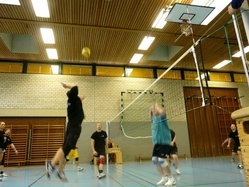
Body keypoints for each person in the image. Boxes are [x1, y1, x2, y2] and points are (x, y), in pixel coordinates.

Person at [46, 83, 85, 182]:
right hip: (74, 127)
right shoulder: (72, 99)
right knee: (66, 147)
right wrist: (67, 86)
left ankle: (60, 171)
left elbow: (78, 98)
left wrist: (81, 99)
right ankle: (51, 164)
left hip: (73, 127)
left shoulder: (73, 101)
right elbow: (75, 86)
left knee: (66, 150)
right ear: (73, 95)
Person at [150, 103, 176, 186]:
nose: (155, 109)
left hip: (164, 142)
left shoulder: (162, 117)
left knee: (162, 160)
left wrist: (158, 107)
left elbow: (162, 112)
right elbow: (150, 114)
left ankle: (171, 178)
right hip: (157, 143)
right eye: (154, 108)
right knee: (155, 161)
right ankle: (164, 177)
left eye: (156, 108)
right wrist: (151, 109)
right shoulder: (154, 119)